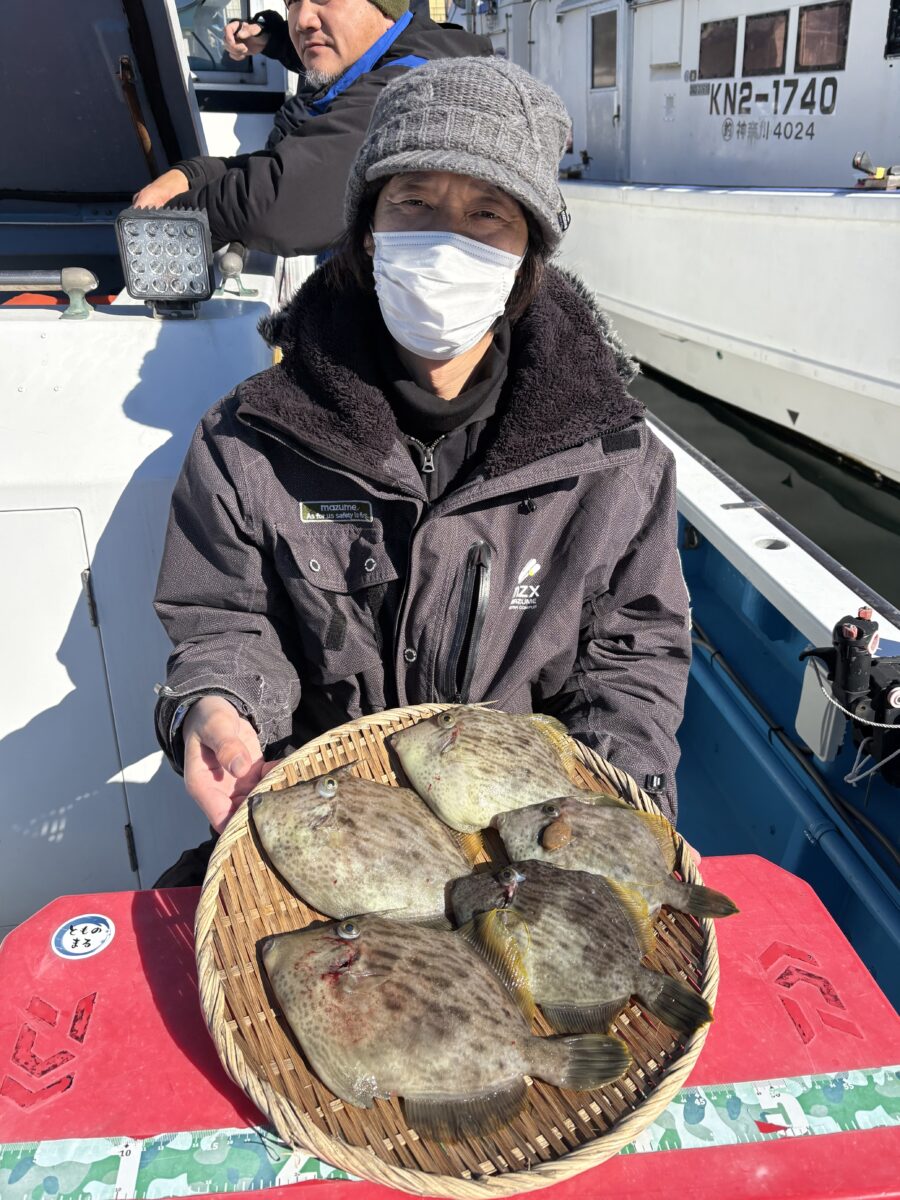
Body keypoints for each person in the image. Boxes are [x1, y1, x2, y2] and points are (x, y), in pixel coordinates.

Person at [152, 56, 692, 884]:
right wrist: (219, 703)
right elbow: (223, 619)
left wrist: (613, 810)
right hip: (328, 816)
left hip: (518, 834)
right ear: (368, 229)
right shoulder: (247, 438)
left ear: (529, 252)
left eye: (488, 213)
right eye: (414, 202)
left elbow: (633, 655)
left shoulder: (618, 461)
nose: (447, 239)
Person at [133, 0, 489, 255]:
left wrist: (165, 226)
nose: (301, 19)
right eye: (291, 2)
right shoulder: (390, 58)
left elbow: (280, 204)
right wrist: (194, 174)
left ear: (383, 8)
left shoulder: (412, 88)